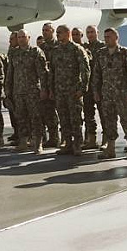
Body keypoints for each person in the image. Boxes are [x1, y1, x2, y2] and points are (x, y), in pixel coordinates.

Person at [91, 28, 127, 160]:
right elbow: (96, 75)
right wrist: (95, 91)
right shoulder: (101, 54)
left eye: (109, 37)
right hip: (107, 95)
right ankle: (110, 149)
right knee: (109, 122)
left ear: (116, 37)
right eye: (105, 37)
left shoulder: (126, 53)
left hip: (123, 95)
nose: (106, 39)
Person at [49, 25, 90, 156]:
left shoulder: (77, 49)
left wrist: (82, 89)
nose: (57, 35)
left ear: (68, 33)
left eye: (59, 32)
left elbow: (85, 70)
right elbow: (52, 72)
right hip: (60, 91)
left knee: (75, 119)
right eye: (57, 33)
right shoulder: (56, 51)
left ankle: (77, 144)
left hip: (73, 91)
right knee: (64, 118)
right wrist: (51, 89)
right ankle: (67, 143)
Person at [5, 29, 48, 154]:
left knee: (35, 117)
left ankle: (38, 142)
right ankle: (23, 142)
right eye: (19, 37)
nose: (21, 39)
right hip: (18, 91)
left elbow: (43, 73)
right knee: (21, 117)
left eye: (23, 37)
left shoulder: (35, 52)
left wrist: (44, 89)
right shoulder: (14, 53)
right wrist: (8, 90)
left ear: (28, 38)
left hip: (33, 91)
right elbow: (10, 74)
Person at [82, 25, 106, 149]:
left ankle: (106, 140)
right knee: (88, 114)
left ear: (97, 33)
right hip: (88, 86)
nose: (90, 34)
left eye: (92, 32)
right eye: (88, 32)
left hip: (101, 85)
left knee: (104, 113)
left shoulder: (102, 47)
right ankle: (91, 140)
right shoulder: (84, 48)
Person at [38, 22, 61, 148]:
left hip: (60, 84)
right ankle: (53, 138)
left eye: (47, 30)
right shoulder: (42, 48)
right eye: (43, 30)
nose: (44, 32)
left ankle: (66, 139)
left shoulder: (59, 46)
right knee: (48, 112)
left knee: (63, 113)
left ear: (52, 31)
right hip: (46, 84)